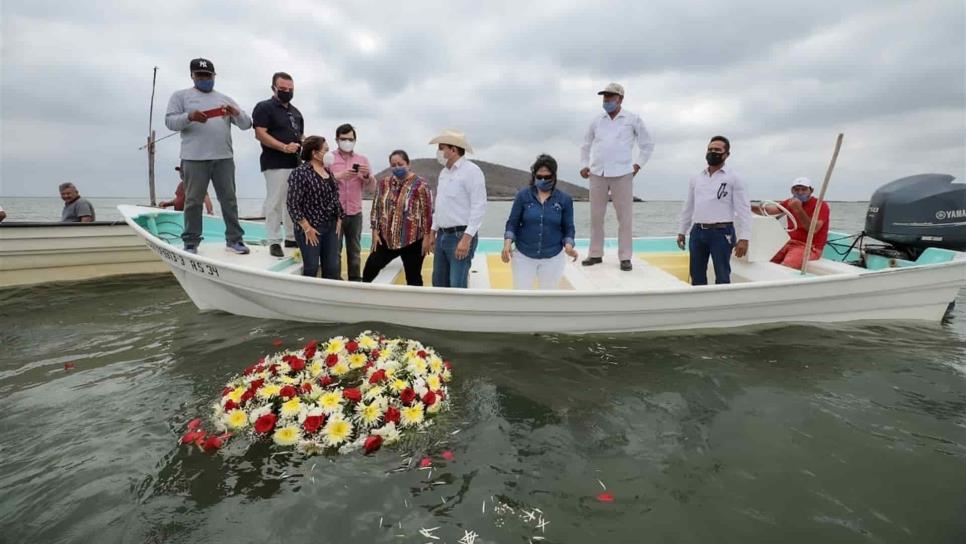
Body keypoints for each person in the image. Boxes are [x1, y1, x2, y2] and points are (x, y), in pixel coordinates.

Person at [164, 57, 252, 255]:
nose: (205, 79)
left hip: (224, 158)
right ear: (192, 76)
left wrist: (236, 113)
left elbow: (247, 124)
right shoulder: (181, 96)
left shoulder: (224, 98)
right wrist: (189, 116)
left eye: (208, 75)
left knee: (229, 200)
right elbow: (169, 122)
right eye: (200, 75)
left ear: (214, 76)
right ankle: (191, 242)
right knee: (193, 201)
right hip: (194, 158)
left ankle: (234, 240)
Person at [579, 82, 654, 272]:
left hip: (623, 173)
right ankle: (595, 254)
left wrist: (638, 164)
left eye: (610, 97)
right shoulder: (597, 120)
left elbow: (647, 144)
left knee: (625, 218)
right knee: (596, 216)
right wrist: (584, 165)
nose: (606, 100)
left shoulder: (632, 119)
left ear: (620, 99)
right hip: (597, 173)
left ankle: (625, 257)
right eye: (604, 97)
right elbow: (585, 145)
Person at [676, 136, 752, 285]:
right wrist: (682, 231)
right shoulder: (696, 178)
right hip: (697, 232)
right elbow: (689, 206)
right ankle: (700, 305)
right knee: (696, 274)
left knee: (722, 274)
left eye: (717, 150)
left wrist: (745, 238)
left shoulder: (734, 178)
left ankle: (722, 305)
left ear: (726, 154)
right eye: (710, 149)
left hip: (722, 233)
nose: (713, 152)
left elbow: (743, 209)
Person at [501, 154, 578, 290]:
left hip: (553, 258)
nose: (543, 180)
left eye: (547, 177)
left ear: (554, 176)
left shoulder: (564, 199)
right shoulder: (523, 196)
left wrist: (569, 245)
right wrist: (507, 243)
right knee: (522, 296)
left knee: (547, 299)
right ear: (534, 176)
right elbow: (512, 223)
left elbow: (569, 228)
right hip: (524, 256)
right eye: (539, 176)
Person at [426, 129, 487, 288]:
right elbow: (440, 205)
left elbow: (479, 206)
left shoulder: (472, 171)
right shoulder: (444, 173)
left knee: (457, 284)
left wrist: (466, 239)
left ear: (453, 150)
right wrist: (433, 231)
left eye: (441, 148)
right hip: (442, 236)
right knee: (439, 282)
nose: (438, 152)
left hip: (460, 236)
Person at [362, 150, 433, 286]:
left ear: (408, 164)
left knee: (413, 277)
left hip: (413, 240)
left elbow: (427, 213)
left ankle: (415, 304)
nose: (397, 167)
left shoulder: (421, 185)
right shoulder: (384, 184)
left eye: (400, 164)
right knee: (370, 268)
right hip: (387, 240)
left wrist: (427, 237)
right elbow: (377, 207)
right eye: (393, 165)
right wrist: (375, 232)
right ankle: (364, 297)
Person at [253, 71, 303, 257]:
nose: (287, 92)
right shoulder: (264, 107)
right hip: (275, 162)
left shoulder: (296, 112)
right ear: (274, 88)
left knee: (293, 202)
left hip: (295, 163)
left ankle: (291, 237)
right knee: (274, 201)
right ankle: (274, 240)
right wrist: (283, 147)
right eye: (282, 89)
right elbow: (260, 133)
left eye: (290, 89)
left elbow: (300, 135)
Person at [286, 136, 343, 279]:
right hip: (310, 228)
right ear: (314, 153)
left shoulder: (328, 172)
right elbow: (292, 204)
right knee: (311, 267)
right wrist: (306, 228)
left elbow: (335, 198)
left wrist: (339, 219)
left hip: (330, 227)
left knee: (332, 268)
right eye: (326, 150)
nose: (330, 154)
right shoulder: (300, 173)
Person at [753, 178, 831, 269]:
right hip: (789, 242)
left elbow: (813, 229)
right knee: (763, 259)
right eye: (797, 189)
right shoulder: (790, 202)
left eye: (804, 189)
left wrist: (798, 209)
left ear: (811, 190)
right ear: (792, 191)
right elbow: (769, 210)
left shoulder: (821, 205)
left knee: (787, 266)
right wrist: (744, 206)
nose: (800, 192)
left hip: (809, 247)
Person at [329, 123, 373, 281]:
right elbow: (321, 180)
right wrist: (339, 176)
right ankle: (335, 280)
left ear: (355, 140)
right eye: (343, 139)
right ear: (337, 139)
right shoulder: (329, 158)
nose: (347, 142)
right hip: (334, 213)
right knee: (334, 249)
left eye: (350, 139)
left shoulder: (362, 159)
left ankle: (355, 280)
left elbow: (372, 187)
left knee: (355, 250)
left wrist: (367, 176)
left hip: (355, 212)